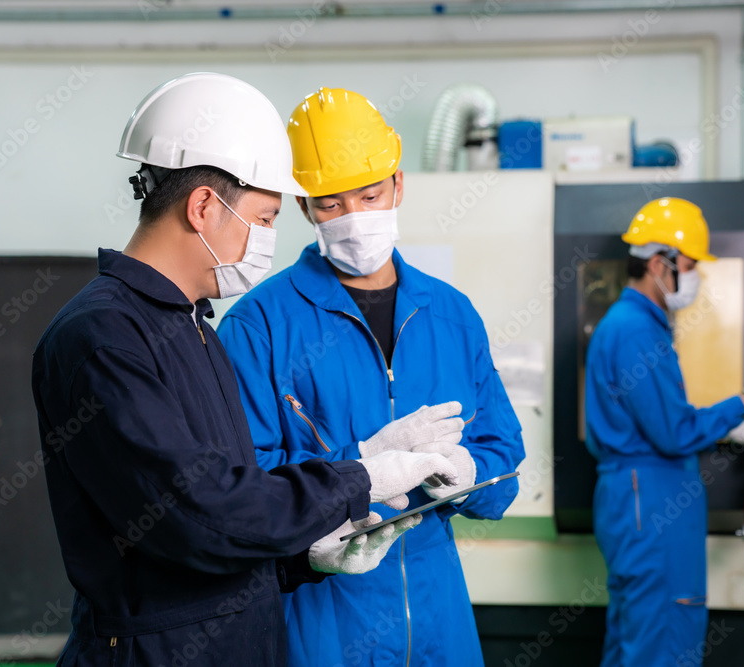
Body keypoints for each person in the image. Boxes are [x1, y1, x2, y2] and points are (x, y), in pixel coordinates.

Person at [31, 73, 464, 667]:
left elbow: (231, 508)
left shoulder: (193, 330)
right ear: (204, 206)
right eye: (263, 219)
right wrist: (358, 477)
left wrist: (301, 560)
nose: (268, 240)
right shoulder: (104, 338)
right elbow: (197, 515)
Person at [217, 87, 525, 666]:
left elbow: (503, 461)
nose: (354, 218)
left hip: (441, 617)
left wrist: (469, 473)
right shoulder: (259, 325)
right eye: (331, 203)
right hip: (326, 614)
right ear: (305, 207)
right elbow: (240, 492)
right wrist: (357, 466)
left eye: (370, 193)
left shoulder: (451, 314)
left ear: (399, 185)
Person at [584, 197, 744, 667]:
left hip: (638, 502)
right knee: (663, 640)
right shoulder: (637, 331)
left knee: (635, 641)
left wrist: (731, 427)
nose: (695, 275)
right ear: (660, 263)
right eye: (690, 264)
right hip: (652, 505)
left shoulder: (632, 324)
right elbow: (674, 432)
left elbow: (664, 419)